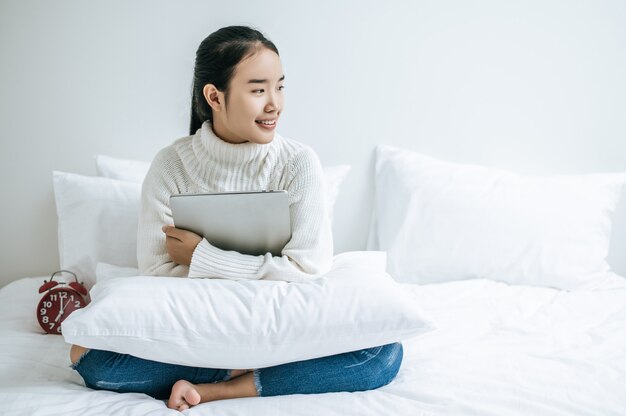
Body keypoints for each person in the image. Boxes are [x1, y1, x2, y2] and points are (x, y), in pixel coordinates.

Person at [69, 25, 403, 411]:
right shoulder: (171, 166)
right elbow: (157, 269)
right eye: (259, 90)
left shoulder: (298, 163)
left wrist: (203, 258)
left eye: (280, 86)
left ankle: (217, 387)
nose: (275, 104)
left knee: (382, 353)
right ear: (215, 96)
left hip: (284, 325)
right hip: (202, 328)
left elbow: (308, 267)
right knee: (90, 357)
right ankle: (252, 369)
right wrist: (265, 274)